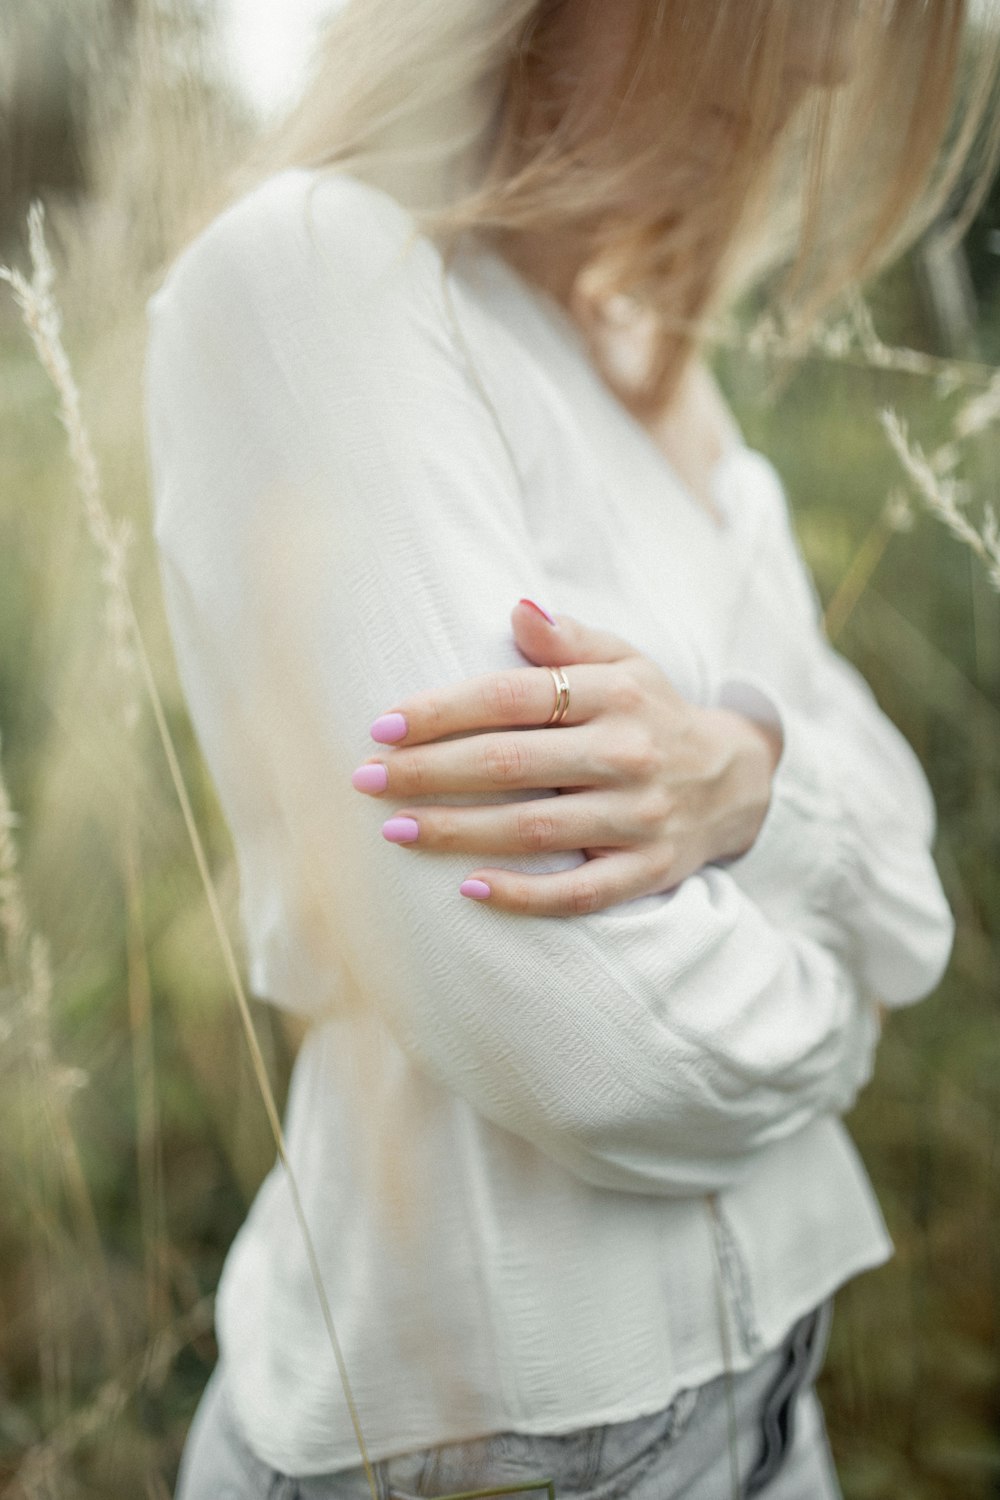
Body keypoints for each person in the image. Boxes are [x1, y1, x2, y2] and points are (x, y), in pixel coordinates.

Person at [144, 2, 1000, 1496]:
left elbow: (890, 830)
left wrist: (747, 778)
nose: (832, 66)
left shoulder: (641, 357)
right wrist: (854, 998)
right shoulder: (311, 278)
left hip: (769, 1412)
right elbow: (599, 1039)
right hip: (502, 1458)